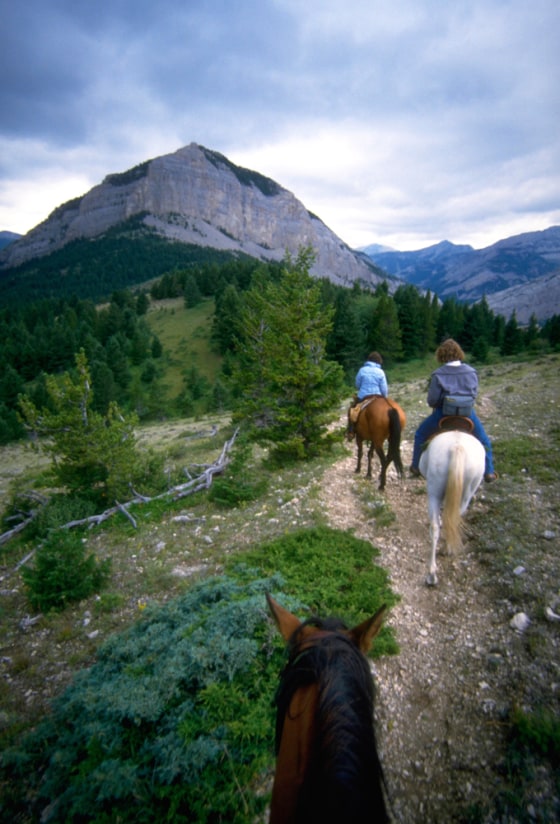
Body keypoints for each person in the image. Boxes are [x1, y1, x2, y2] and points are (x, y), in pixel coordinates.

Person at [409, 338, 497, 482]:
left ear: (441, 355)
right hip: (467, 414)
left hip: (443, 414)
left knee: (420, 434)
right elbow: (474, 395)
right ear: (459, 353)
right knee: (484, 440)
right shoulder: (471, 372)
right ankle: (489, 471)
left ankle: (415, 467)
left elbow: (432, 400)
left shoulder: (438, 374)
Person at [347, 352, 388, 436]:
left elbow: (357, 384)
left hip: (363, 396)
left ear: (369, 360)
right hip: (378, 396)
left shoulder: (362, 370)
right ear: (379, 361)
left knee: (352, 410)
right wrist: (385, 397)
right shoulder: (381, 372)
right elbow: (384, 388)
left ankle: (351, 431)